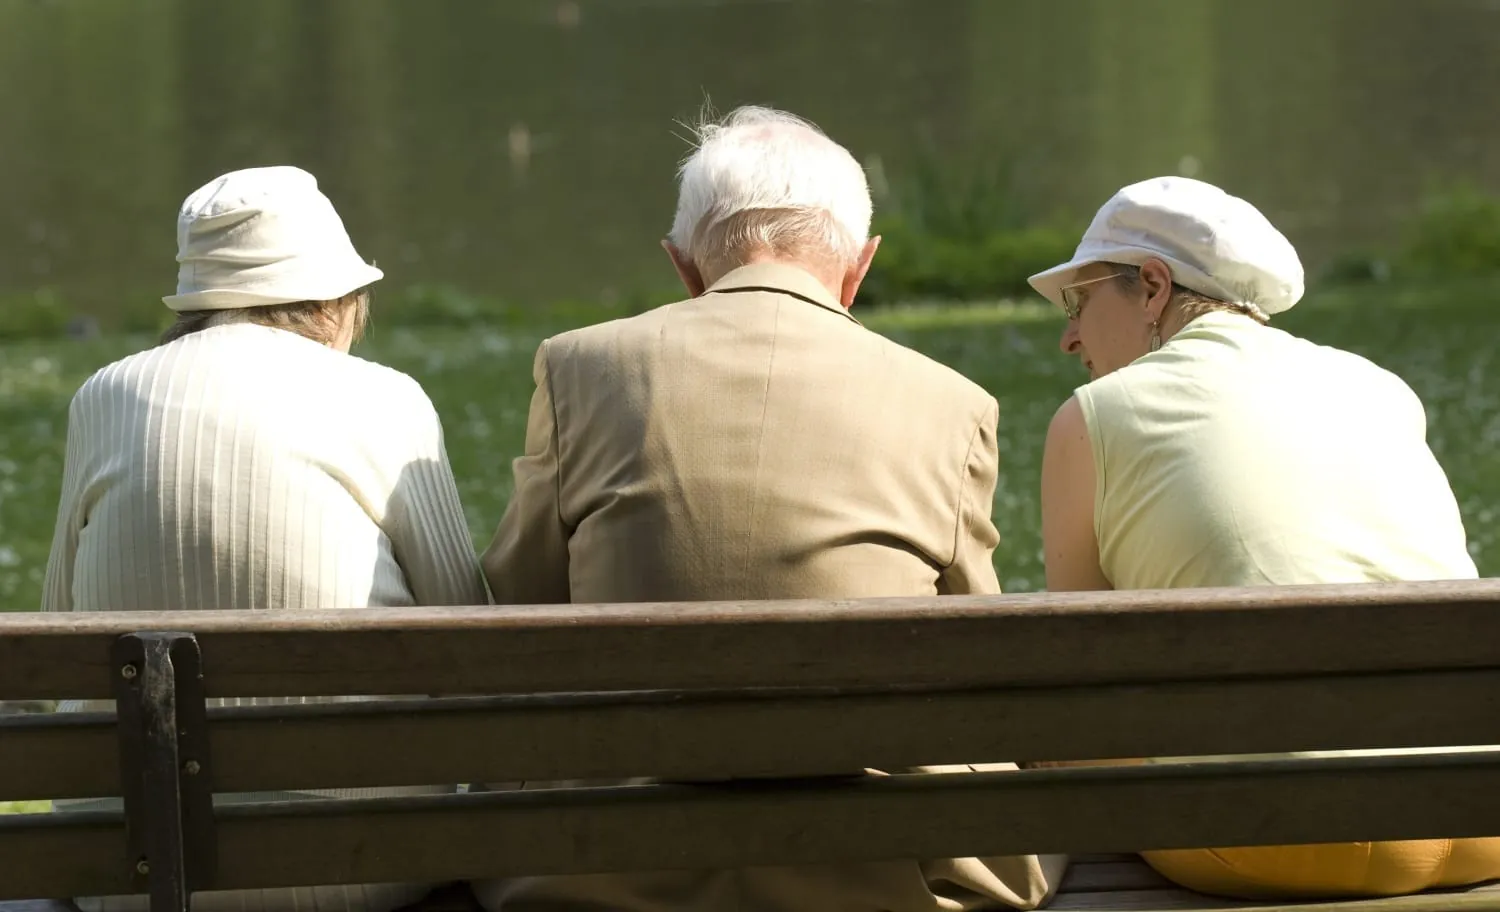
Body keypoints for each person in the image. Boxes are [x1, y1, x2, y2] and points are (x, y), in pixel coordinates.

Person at [476, 105, 1064, 912]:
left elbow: (515, 609)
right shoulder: (951, 404)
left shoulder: (580, 368)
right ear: (859, 268)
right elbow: (976, 655)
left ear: (683, 266)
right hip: (886, 873)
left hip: (605, 866)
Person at [1030, 175, 1500, 899]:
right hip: (1475, 811)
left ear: (1152, 286)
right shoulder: (1378, 386)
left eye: (1078, 302)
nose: (1068, 337)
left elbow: (1083, 688)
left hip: (1272, 842)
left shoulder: (1094, 415)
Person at [42, 165, 491, 912]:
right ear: (332, 303)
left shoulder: (104, 396)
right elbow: (469, 641)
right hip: (354, 867)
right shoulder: (385, 399)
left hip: (130, 875)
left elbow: (62, 627)